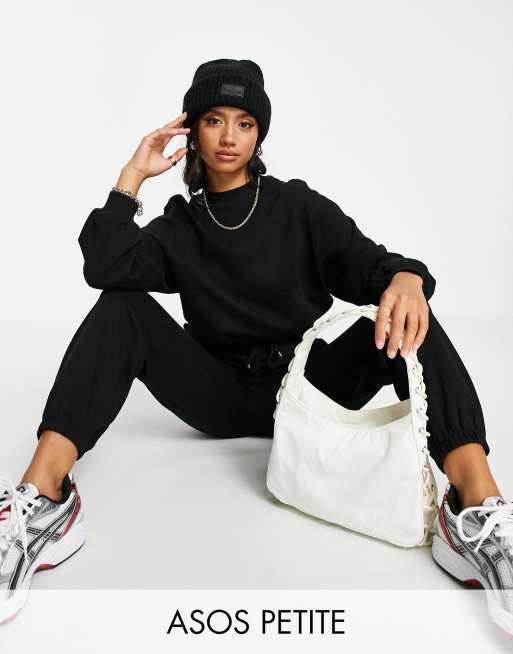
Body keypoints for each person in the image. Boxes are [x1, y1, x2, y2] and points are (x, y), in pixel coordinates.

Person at [1, 58, 512, 634]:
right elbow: (105, 266)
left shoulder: (297, 207)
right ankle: (42, 501)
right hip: (218, 393)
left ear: (259, 134)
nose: (228, 136)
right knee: (121, 308)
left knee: (411, 312)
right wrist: (131, 178)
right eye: (213, 120)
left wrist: (409, 278)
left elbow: (374, 266)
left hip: (309, 388)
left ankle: (475, 510)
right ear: (193, 130)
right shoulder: (180, 225)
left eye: (243, 123)